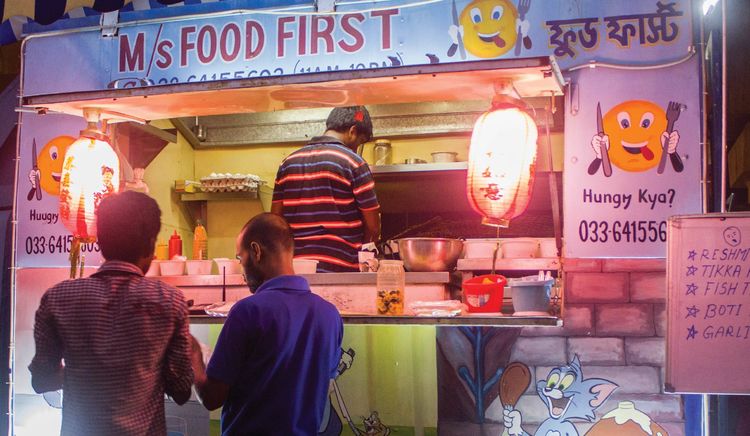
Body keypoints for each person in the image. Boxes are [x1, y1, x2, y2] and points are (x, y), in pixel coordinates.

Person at [28, 191, 193, 435]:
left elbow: (41, 380)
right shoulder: (170, 301)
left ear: (100, 241)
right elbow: (181, 391)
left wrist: (80, 373)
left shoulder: (57, 298)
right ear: (150, 244)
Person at [191, 213, 343, 435]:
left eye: (240, 259)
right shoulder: (330, 315)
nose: (243, 271)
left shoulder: (247, 311)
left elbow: (212, 398)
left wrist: (194, 354)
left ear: (256, 251)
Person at [271, 105, 381, 272]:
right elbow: (372, 226)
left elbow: (275, 220)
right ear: (353, 131)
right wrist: (366, 254)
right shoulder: (354, 162)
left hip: (296, 267)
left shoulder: (287, 163)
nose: (357, 148)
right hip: (340, 267)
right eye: (359, 142)